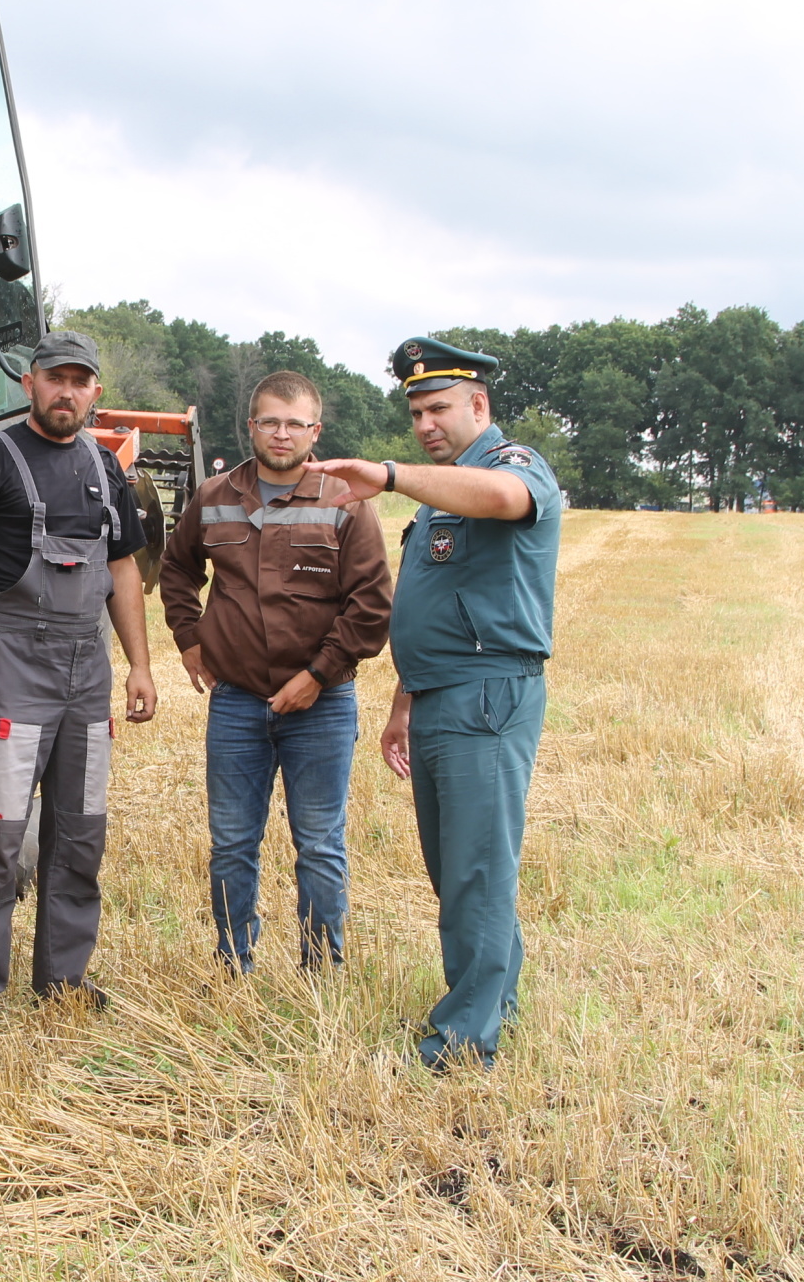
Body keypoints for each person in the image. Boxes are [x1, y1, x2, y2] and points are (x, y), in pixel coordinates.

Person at [314, 336, 562, 1070]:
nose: (425, 423)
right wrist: (403, 700)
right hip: (440, 696)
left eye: (439, 408)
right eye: (416, 411)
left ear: (478, 406)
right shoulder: (446, 485)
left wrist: (390, 476)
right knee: (457, 864)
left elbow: (506, 501)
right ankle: (494, 999)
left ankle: (465, 1039)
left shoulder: (509, 467)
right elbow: (437, 601)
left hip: (487, 694)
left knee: (476, 869)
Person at [0, 330, 158, 1030]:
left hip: (86, 671)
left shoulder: (103, 467)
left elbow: (123, 572)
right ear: (29, 383)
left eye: (79, 380)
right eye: (53, 377)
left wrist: (140, 666)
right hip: (12, 666)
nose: (66, 390)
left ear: (95, 391)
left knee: (81, 833)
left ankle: (63, 979)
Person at [160, 372, 393, 974]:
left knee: (319, 845)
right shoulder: (213, 496)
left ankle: (321, 967)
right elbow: (178, 569)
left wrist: (317, 675)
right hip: (236, 703)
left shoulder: (345, 501)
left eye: (295, 423)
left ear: (316, 430)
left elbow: (370, 604)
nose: (281, 433)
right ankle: (233, 959)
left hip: (322, 705)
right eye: (270, 421)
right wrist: (189, 639)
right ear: (251, 426)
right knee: (232, 844)